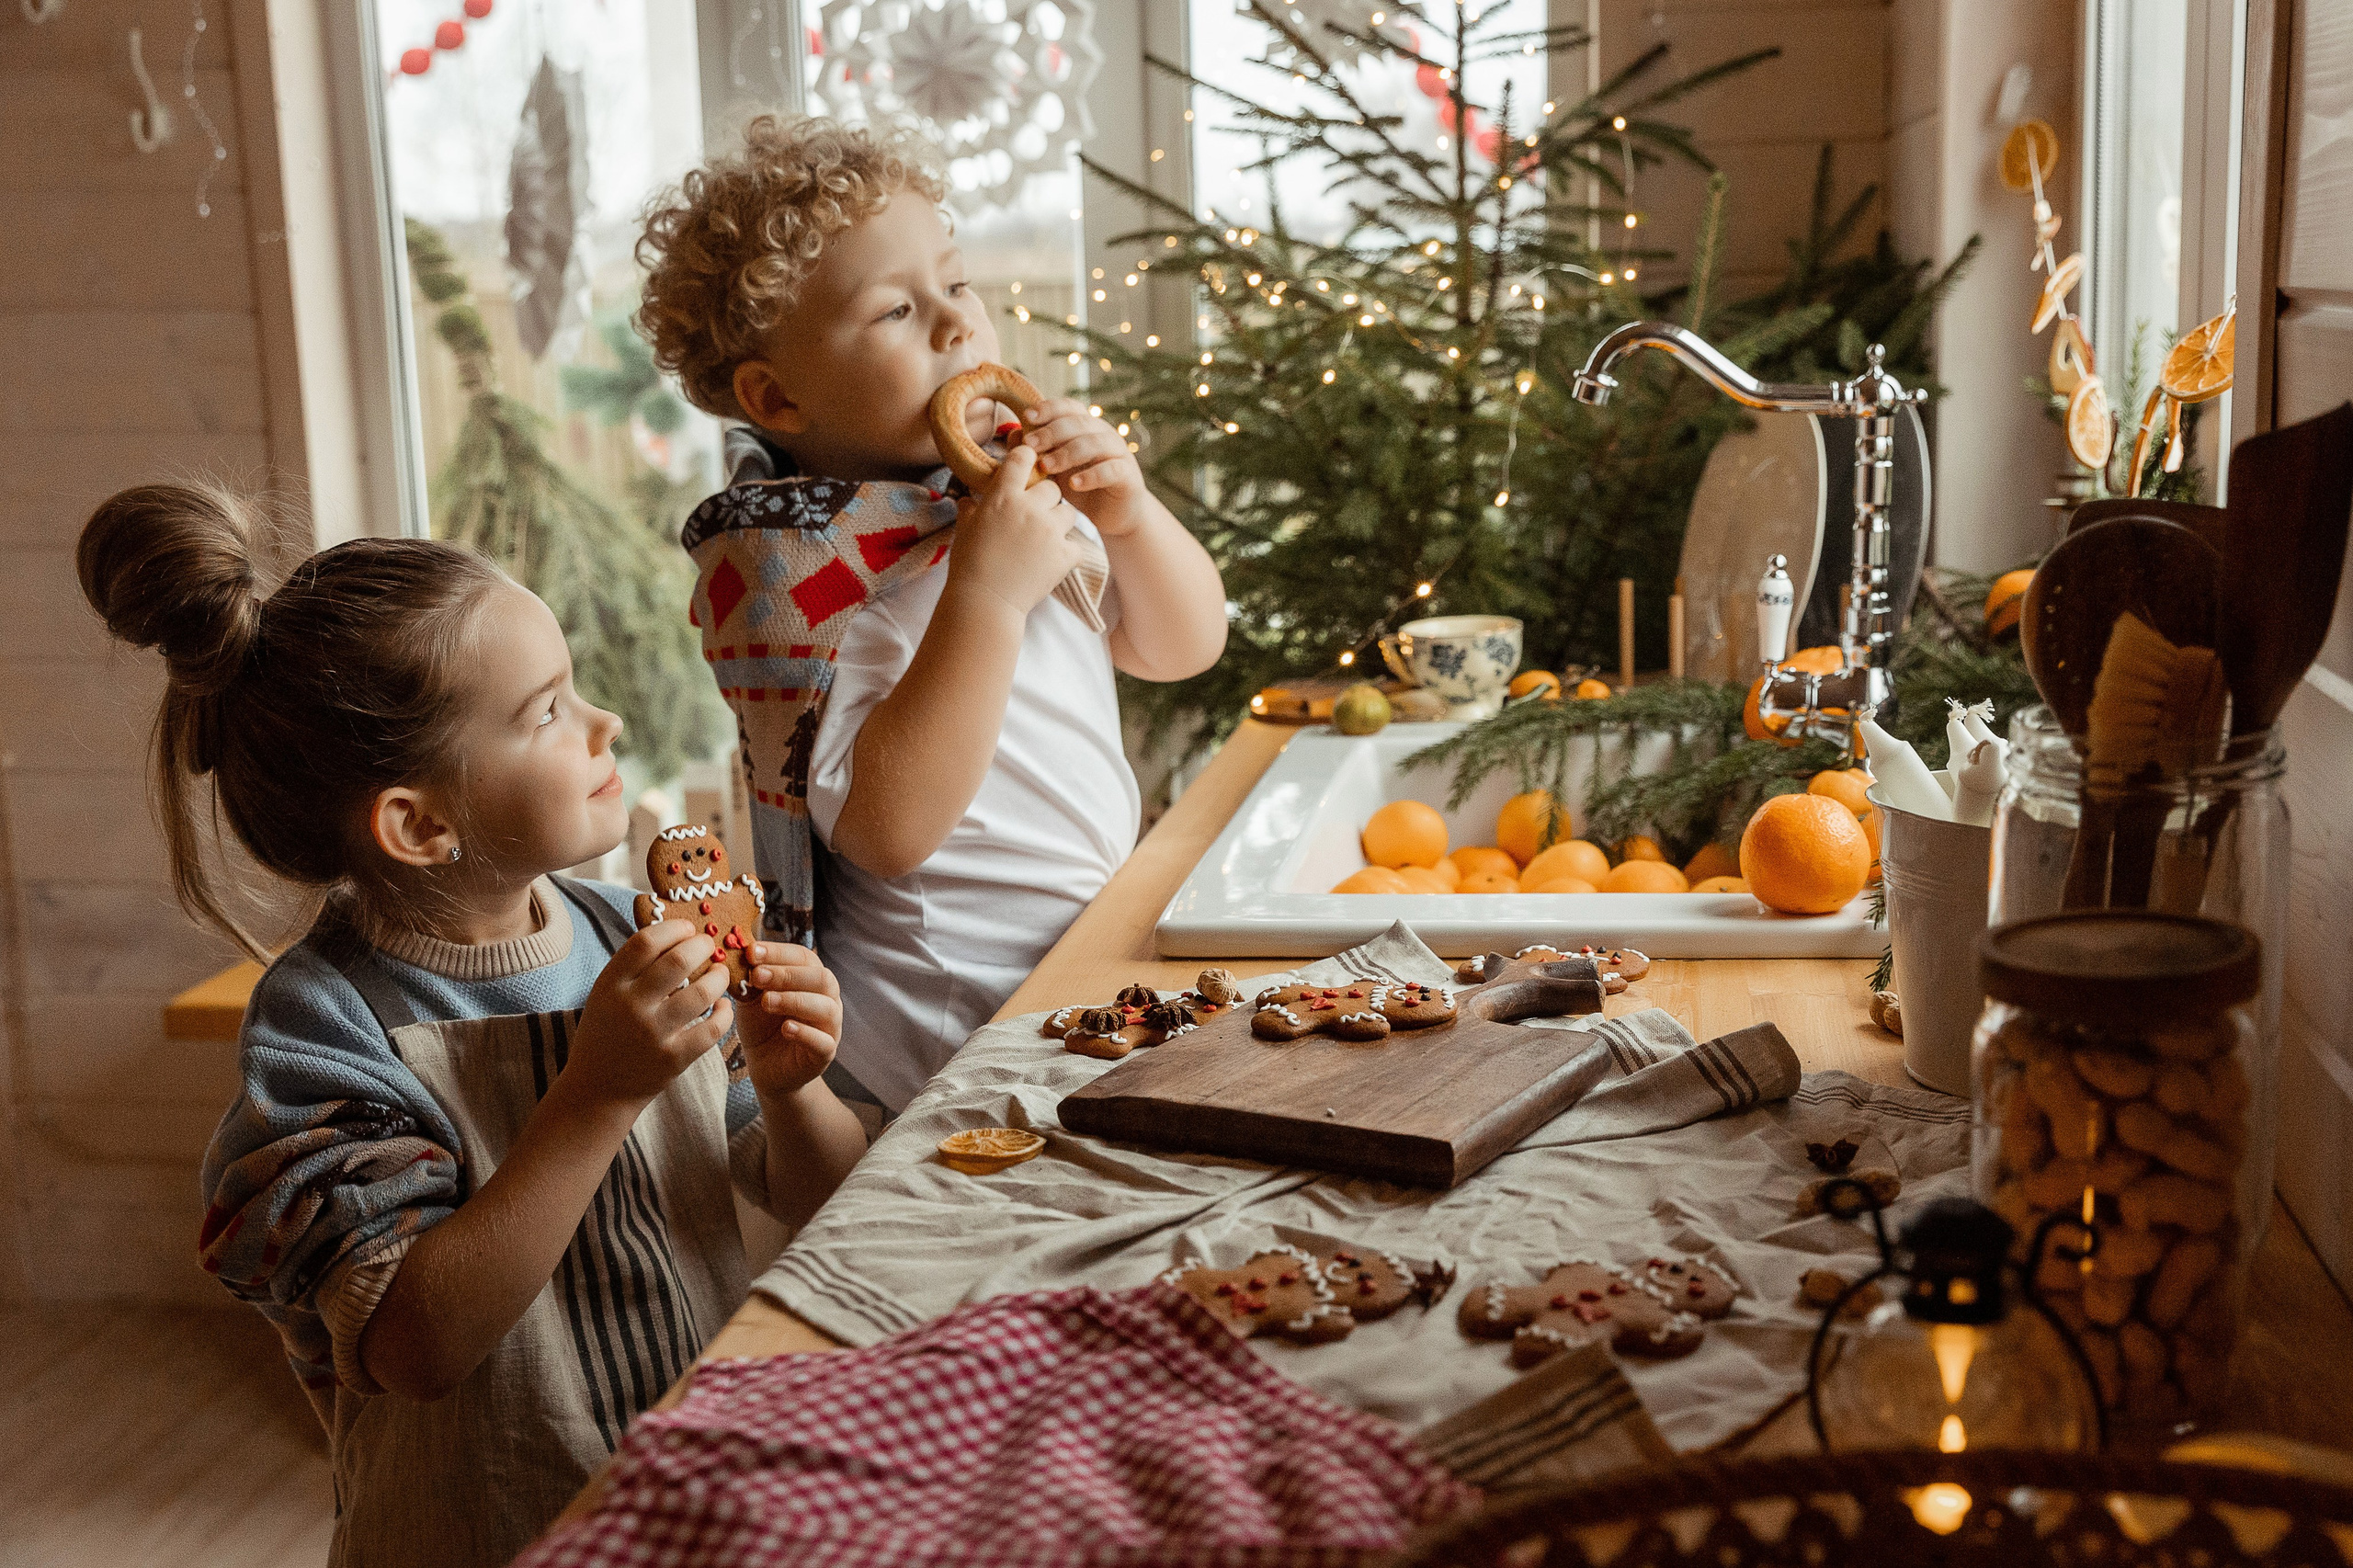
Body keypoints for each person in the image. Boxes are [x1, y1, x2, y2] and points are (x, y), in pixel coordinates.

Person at [76, 483, 868, 1568]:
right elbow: (413, 1345)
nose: (607, 722)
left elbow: (816, 1197)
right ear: (419, 823)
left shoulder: (625, 930)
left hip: (692, 1496)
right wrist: (594, 1093)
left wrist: (790, 1086)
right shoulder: (323, 1027)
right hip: (483, 1527)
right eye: (547, 711)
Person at [635, 117, 1227, 1117]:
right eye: (897, 311)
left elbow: (1178, 647)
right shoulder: (801, 574)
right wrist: (988, 595)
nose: (958, 327)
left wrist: (1129, 514)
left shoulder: (991, 500)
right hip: (952, 1025)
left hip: (1081, 955)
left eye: (956, 285)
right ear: (776, 396)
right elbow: (888, 830)